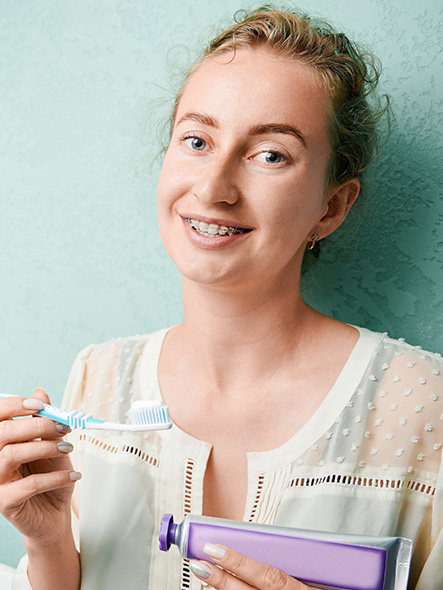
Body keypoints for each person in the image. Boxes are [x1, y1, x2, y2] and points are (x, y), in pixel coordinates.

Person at [1, 6, 442, 590]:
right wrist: (49, 541)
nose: (212, 188)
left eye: (271, 155)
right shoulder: (98, 377)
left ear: (331, 207)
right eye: (197, 140)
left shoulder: (423, 409)